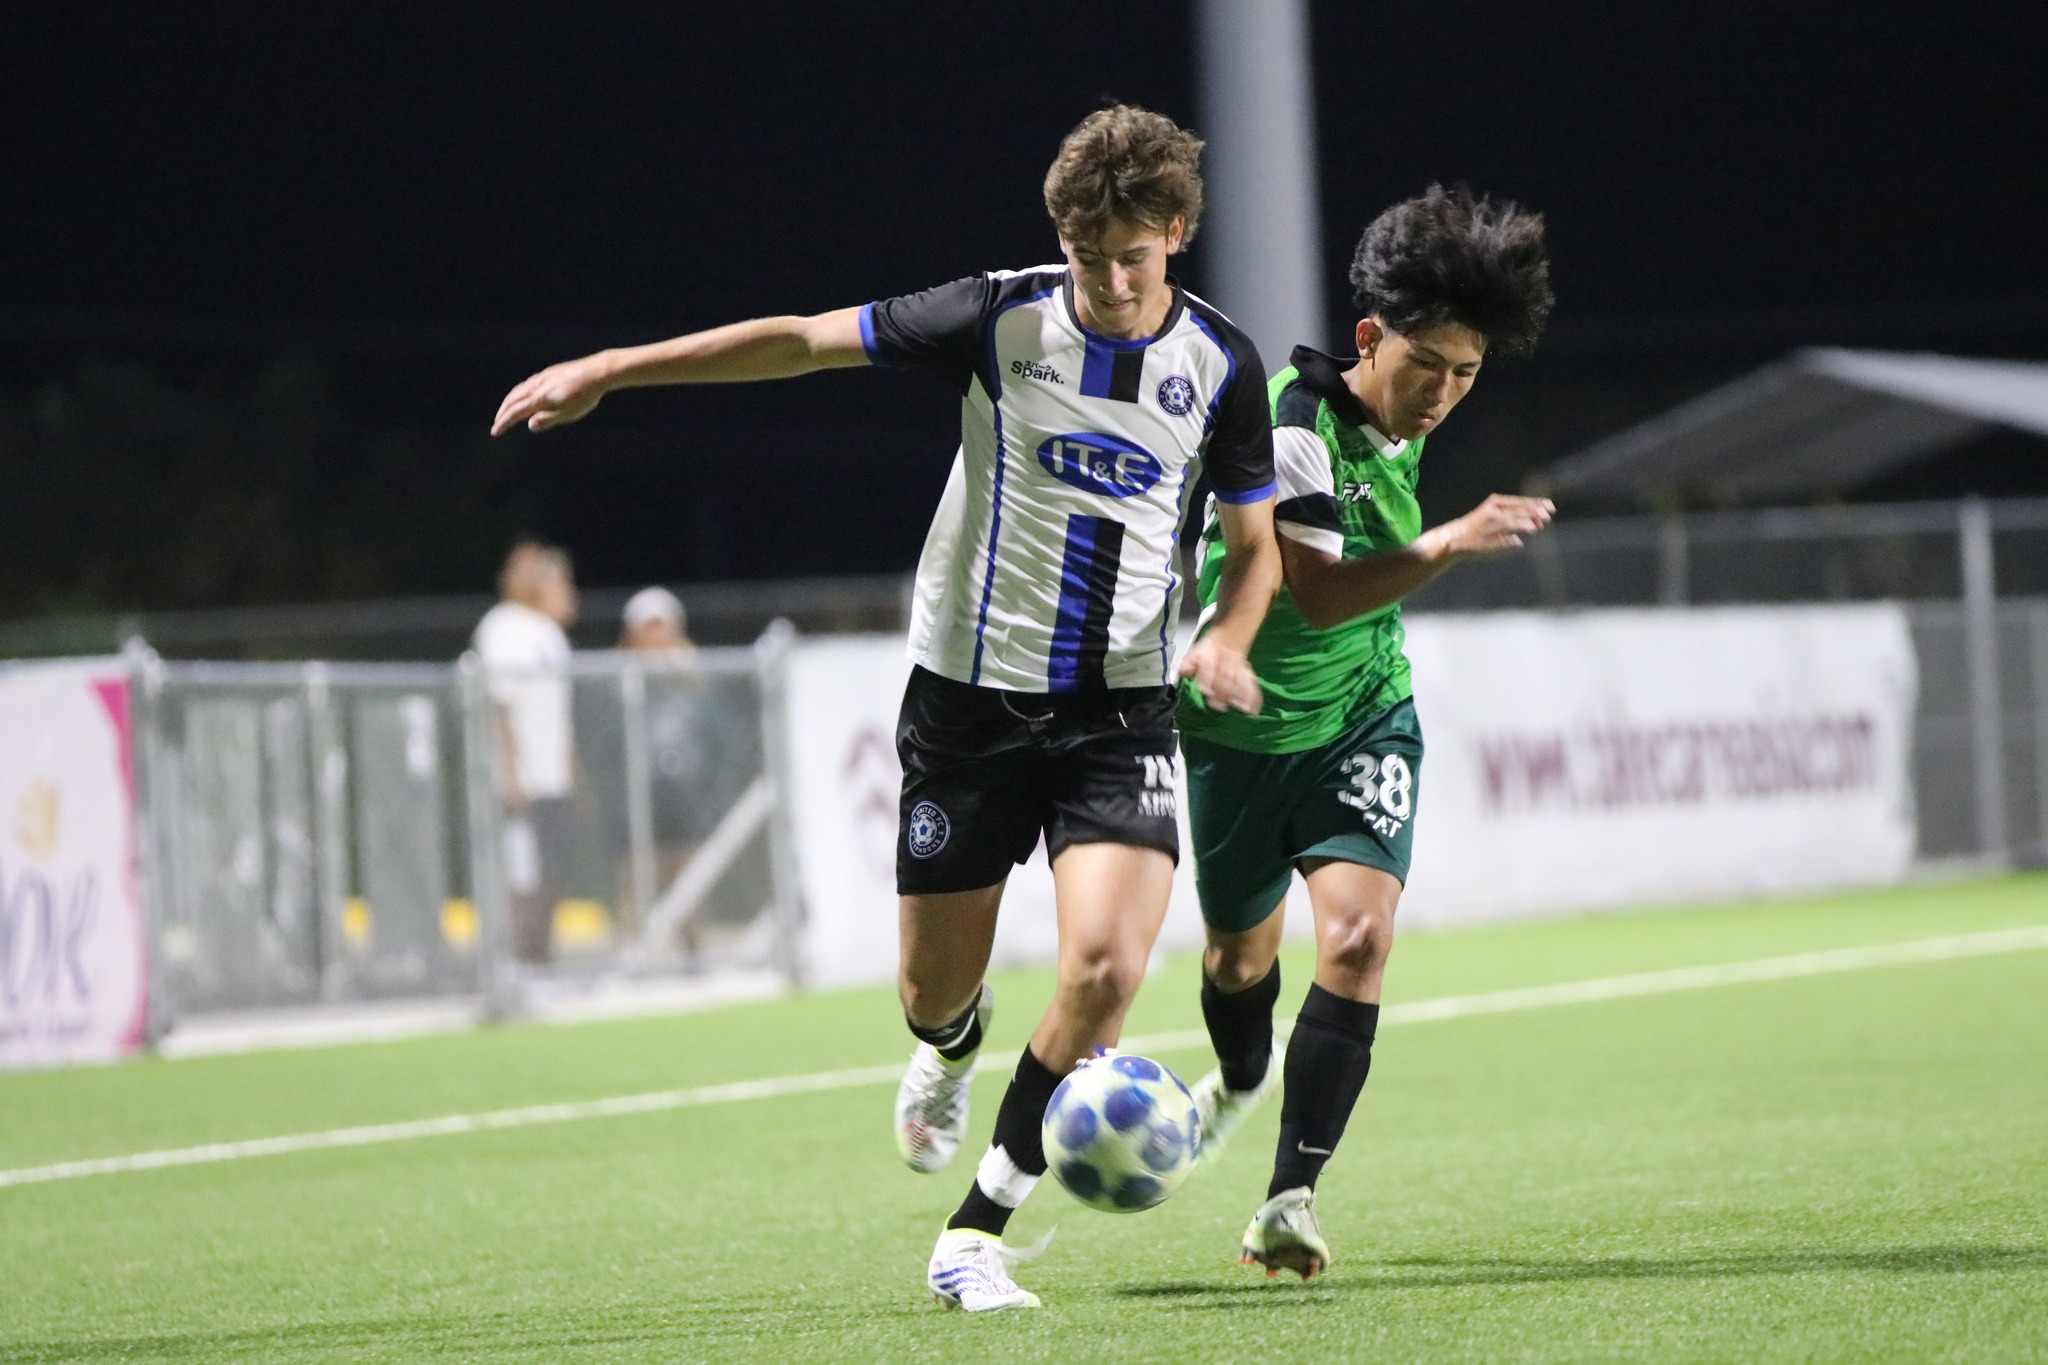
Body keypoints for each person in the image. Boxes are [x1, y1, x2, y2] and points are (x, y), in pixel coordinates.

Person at [491, 105, 1283, 1311]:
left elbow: (1253, 545)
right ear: (1058, 241)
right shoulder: (994, 314)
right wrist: (614, 368)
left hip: (1119, 713)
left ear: (1175, 233)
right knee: (931, 992)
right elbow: (801, 342)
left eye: (1135, 257)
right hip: (966, 702)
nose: (1113, 284)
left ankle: (975, 1229)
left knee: (1105, 968)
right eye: (1090, 259)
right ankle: (950, 1050)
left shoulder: (1222, 367)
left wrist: (1225, 637)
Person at [1177, 185, 1556, 1280]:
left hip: (1362, 718)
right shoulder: (1294, 426)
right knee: (1236, 959)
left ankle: (1286, 1199)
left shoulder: (1398, 420)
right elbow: (1322, 592)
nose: (1441, 393)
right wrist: (1446, 544)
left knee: (1354, 940)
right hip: (1240, 735)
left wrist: (1434, 546)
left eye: (1465, 374)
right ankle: (1241, 1075)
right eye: (1424, 363)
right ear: (1366, 338)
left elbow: (1357, 629)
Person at [473, 542, 580, 967]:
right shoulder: (504, 626)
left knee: (552, 868)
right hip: (523, 780)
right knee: (523, 873)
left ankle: (539, 955)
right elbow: (501, 705)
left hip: (551, 777)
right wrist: (511, 773)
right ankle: (516, 959)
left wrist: (570, 769)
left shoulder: (547, 632)